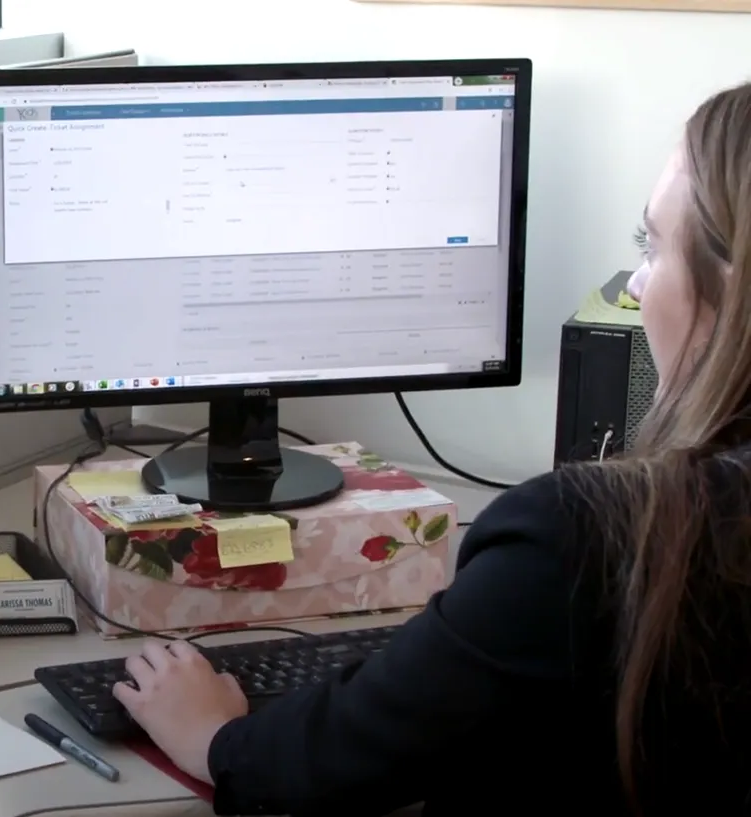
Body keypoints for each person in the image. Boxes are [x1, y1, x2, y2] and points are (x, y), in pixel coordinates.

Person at [119, 84, 751, 816]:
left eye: (653, 245)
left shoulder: (585, 536)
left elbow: (348, 754)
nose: (638, 287)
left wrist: (218, 737)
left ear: (730, 288)